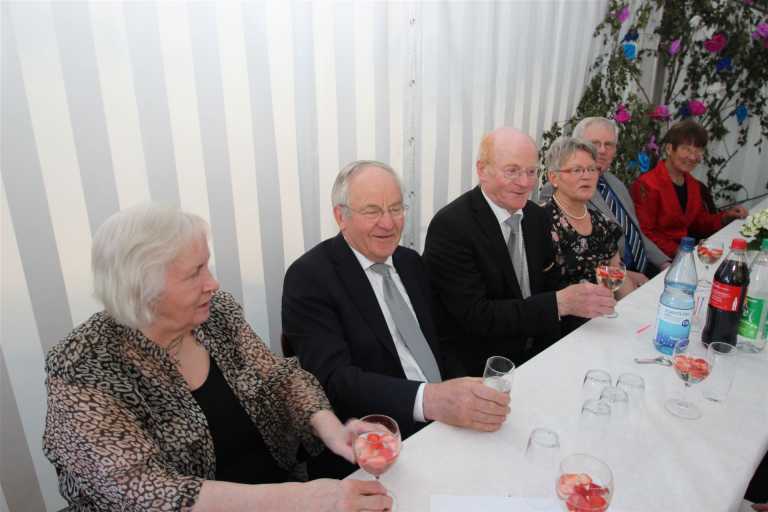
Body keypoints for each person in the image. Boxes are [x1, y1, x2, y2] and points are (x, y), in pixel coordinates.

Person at [43, 204, 391, 512]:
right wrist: (297, 500)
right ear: (142, 289)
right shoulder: (81, 366)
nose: (213, 283)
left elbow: (280, 378)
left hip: (280, 491)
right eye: (195, 272)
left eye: (206, 266)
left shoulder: (216, 314)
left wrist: (330, 428)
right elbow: (143, 490)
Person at [282, 160, 511, 477]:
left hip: (449, 424)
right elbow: (335, 381)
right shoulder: (310, 277)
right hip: (378, 444)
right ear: (341, 216)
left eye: (396, 208)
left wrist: (465, 390)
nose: (388, 223)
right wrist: (428, 400)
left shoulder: (410, 262)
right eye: (372, 211)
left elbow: (443, 341)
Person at [422, 127, 616, 376]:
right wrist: (558, 304)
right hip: (482, 366)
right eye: (512, 171)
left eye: (531, 172)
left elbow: (549, 284)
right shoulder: (452, 226)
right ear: (482, 170)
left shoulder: (536, 217)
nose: (525, 183)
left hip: (540, 352)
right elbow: (477, 316)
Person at [539, 117, 669, 284]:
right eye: (595, 143)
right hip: (603, 281)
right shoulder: (557, 191)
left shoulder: (616, 184)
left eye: (608, 144)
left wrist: (664, 263)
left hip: (637, 270)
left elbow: (635, 232)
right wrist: (627, 276)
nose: (601, 150)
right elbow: (573, 264)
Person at [630, 119, 748, 258]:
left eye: (698, 151)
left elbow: (698, 222)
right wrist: (680, 252)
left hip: (685, 253)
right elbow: (645, 233)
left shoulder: (693, 184)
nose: (693, 157)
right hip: (658, 258)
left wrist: (725, 218)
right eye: (686, 149)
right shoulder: (647, 184)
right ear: (669, 149)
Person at [543, 137, 636, 305]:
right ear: (554, 177)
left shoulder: (603, 223)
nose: (586, 176)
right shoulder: (540, 221)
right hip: (558, 316)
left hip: (601, 313)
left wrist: (633, 309)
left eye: (592, 169)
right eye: (577, 170)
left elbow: (616, 280)